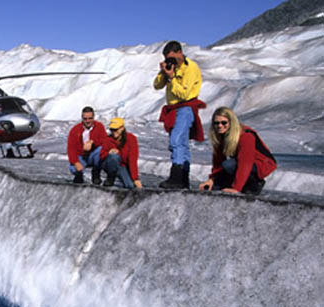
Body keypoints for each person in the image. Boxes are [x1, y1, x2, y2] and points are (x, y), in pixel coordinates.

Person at [153, 40, 206, 189]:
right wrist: (163, 73)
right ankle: (183, 180)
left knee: (176, 141)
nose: (170, 61)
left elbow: (184, 93)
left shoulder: (191, 68)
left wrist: (171, 78)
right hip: (174, 110)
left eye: (172, 57)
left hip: (186, 108)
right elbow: (157, 85)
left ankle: (175, 177)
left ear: (179, 53)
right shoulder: (171, 67)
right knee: (182, 144)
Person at [198, 107, 277, 195]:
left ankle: (254, 184)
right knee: (217, 185)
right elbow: (218, 161)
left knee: (229, 165)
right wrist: (212, 179)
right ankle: (240, 183)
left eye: (224, 122)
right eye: (216, 123)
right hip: (241, 162)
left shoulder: (245, 136)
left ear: (231, 122)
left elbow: (245, 163)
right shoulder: (221, 135)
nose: (220, 125)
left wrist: (236, 188)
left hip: (262, 164)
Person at [67, 106, 107, 184]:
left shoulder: (99, 127)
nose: (88, 121)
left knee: (101, 150)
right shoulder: (75, 130)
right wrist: (76, 162)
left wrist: (93, 142)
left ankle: (96, 173)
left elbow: (105, 140)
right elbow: (71, 149)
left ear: (93, 117)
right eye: (85, 119)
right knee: (73, 168)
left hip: (93, 155)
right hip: (81, 156)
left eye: (90, 118)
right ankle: (79, 176)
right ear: (82, 118)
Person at [100, 117, 142, 189]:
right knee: (114, 157)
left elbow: (132, 159)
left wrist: (135, 178)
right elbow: (101, 155)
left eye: (116, 129)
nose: (114, 132)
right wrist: (108, 153)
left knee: (130, 186)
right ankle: (110, 177)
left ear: (122, 128)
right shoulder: (107, 139)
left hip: (122, 166)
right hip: (110, 165)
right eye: (112, 130)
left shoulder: (131, 139)